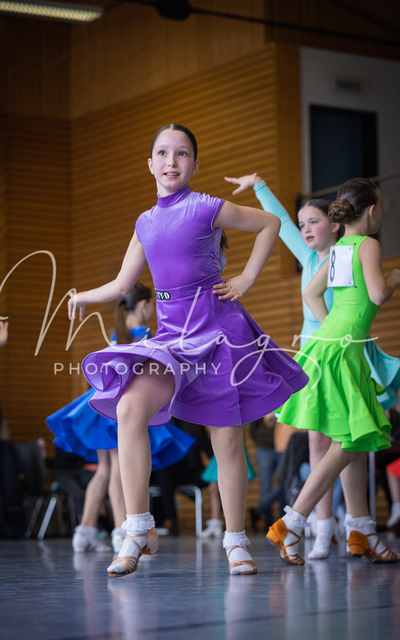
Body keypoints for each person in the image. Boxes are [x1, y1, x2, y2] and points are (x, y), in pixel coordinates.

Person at [68, 123, 308, 577]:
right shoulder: (144, 222)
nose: (172, 161)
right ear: (150, 164)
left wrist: (246, 279)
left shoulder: (207, 207)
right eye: (163, 153)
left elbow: (270, 223)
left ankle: (235, 540)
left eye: (181, 154)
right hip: (173, 336)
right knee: (129, 408)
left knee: (226, 439)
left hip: (218, 330)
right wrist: (81, 297)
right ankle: (139, 527)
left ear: (195, 164)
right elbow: (122, 284)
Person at [225, 172, 400, 559]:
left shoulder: (338, 251)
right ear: (372, 211)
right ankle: (294, 522)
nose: (305, 229)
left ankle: (361, 530)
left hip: (330, 346)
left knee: (355, 441)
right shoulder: (367, 245)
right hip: (341, 350)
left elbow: (310, 293)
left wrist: (330, 329)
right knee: (348, 441)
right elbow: (377, 294)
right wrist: (393, 277)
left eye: (312, 222)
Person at [47, 283, 194, 553]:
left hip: (101, 405)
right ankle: (120, 530)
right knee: (116, 469)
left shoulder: (116, 334)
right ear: (144, 304)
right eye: (153, 305)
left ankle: (85, 530)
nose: (153, 310)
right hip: (117, 408)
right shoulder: (144, 335)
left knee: (103, 470)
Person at [249, 412, 284, 530]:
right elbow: (253, 428)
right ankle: (268, 523)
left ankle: (260, 511)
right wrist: (261, 440)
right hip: (264, 449)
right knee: (266, 486)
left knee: (284, 485)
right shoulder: (260, 403)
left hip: (283, 447)